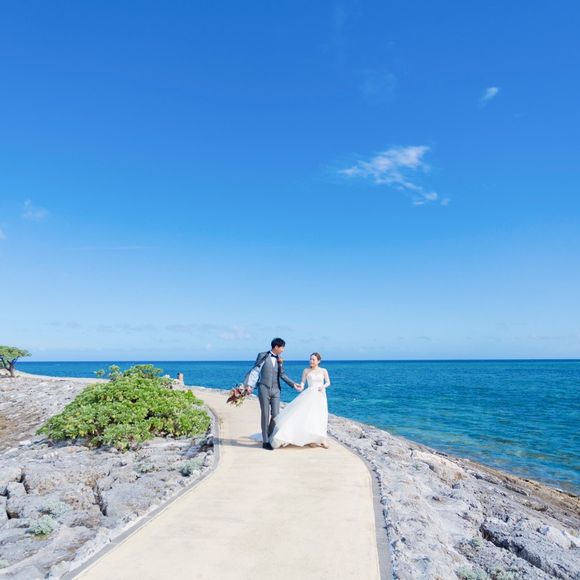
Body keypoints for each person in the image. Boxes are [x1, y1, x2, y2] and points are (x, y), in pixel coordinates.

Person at [247, 338, 301, 450]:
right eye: (282, 348)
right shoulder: (262, 355)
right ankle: (265, 441)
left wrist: (293, 384)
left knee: (276, 415)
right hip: (264, 388)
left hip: (276, 390)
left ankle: (268, 434)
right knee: (265, 414)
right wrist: (249, 386)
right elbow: (255, 371)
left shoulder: (279, 359)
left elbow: (282, 374)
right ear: (276, 347)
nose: (283, 350)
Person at [270, 352, 331, 450]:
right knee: (310, 416)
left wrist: (322, 387)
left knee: (321, 416)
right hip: (310, 395)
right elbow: (302, 384)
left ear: (318, 361)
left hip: (320, 395)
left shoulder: (323, 370)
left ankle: (322, 439)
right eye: (310, 359)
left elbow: (328, 382)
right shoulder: (306, 370)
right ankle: (311, 439)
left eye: (313, 359)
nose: (311, 361)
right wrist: (299, 387)